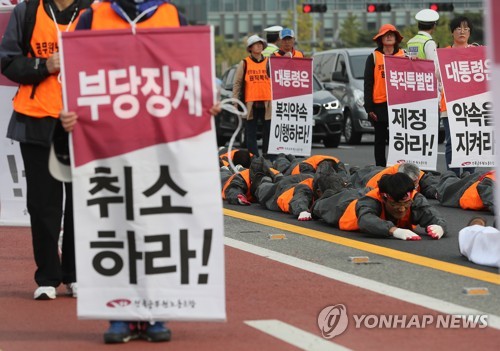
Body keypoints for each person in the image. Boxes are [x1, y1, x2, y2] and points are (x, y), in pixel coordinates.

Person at [58, 0, 203, 344]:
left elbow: (190, 71)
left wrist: (205, 103)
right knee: (115, 227)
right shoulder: (93, 16)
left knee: (158, 225)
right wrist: (70, 112)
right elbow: (74, 70)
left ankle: (154, 312)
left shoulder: (172, 15)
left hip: (159, 140)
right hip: (107, 142)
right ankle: (119, 314)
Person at [0, 0, 94, 301]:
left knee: (83, 202)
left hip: (85, 121)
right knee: (43, 205)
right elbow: (7, 61)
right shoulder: (26, 12)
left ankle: (75, 274)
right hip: (37, 119)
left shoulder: (94, 12)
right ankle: (48, 277)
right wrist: (43, 65)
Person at [312, 173, 447, 240]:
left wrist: (440, 227)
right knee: (320, 205)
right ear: (384, 198)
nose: (401, 209)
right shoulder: (370, 201)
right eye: (395, 204)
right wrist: (394, 231)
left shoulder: (414, 198)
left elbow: (432, 214)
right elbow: (366, 221)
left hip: (368, 193)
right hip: (346, 207)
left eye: (405, 204)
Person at [440, 16, 477, 177]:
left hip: (472, 106)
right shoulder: (444, 53)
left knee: (471, 141)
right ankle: (453, 177)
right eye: (458, 28)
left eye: (466, 29)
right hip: (450, 106)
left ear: (470, 32)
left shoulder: (477, 52)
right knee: (452, 143)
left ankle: (469, 175)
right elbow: (436, 75)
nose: (462, 31)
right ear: (452, 32)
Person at [364, 24, 405, 167]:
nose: (389, 37)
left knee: (398, 138)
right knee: (380, 139)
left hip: (399, 104)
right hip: (380, 104)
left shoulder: (404, 55)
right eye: (386, 35)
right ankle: (380, 168)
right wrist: (369, 108)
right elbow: (368, 83)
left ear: (396, 38)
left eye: (392, 34)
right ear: (380, 39)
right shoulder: (374, 57)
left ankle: (397, 166)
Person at [232, 35, 272, 158]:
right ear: (250, 48)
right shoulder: (244, 63)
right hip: (250, 104)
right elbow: (237, 83)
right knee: (250, 133)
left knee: (268, 132)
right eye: (256, 44)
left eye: (261, 44)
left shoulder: (269, 63)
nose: (259, 46)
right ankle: (253, 157)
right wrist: (235, 100)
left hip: (267, 103)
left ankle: (267, 156)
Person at [350, 162, 439, 200]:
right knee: (357, 177)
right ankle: (355, 170)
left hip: (381, 169)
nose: (415, 186)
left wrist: (436, 193)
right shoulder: (378, 183)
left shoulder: (416, 173)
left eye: (416, 182)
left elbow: (430, 184)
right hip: (368, 177)